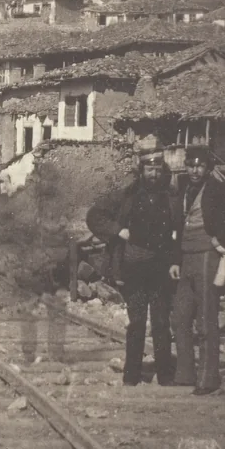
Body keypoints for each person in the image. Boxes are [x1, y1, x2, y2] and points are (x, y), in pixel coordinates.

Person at [86, 138, 179, 387]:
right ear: (141, 170)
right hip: (134, 269)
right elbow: (94, 215)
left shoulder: (170, 195)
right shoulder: (126, 196)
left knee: (161, 323)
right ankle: (132, 375)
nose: (154, 173)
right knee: (136, 322)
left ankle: (165, 375)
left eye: (158, 169)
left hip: (160, 269)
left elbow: (180, 225)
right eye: (149, 169)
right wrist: (118, 230)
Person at [172, 145, 225, 395]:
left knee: (206, 318)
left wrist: (222, 236)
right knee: (180, 317)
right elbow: (177, 228)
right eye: (191, 165)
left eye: (200, 166)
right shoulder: (182, 189)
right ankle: (185, 373)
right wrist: (175, 260)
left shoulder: (219, 190)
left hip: (208, 257)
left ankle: (208, 379)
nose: (195, 170)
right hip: (185, 258)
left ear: (208, 168)